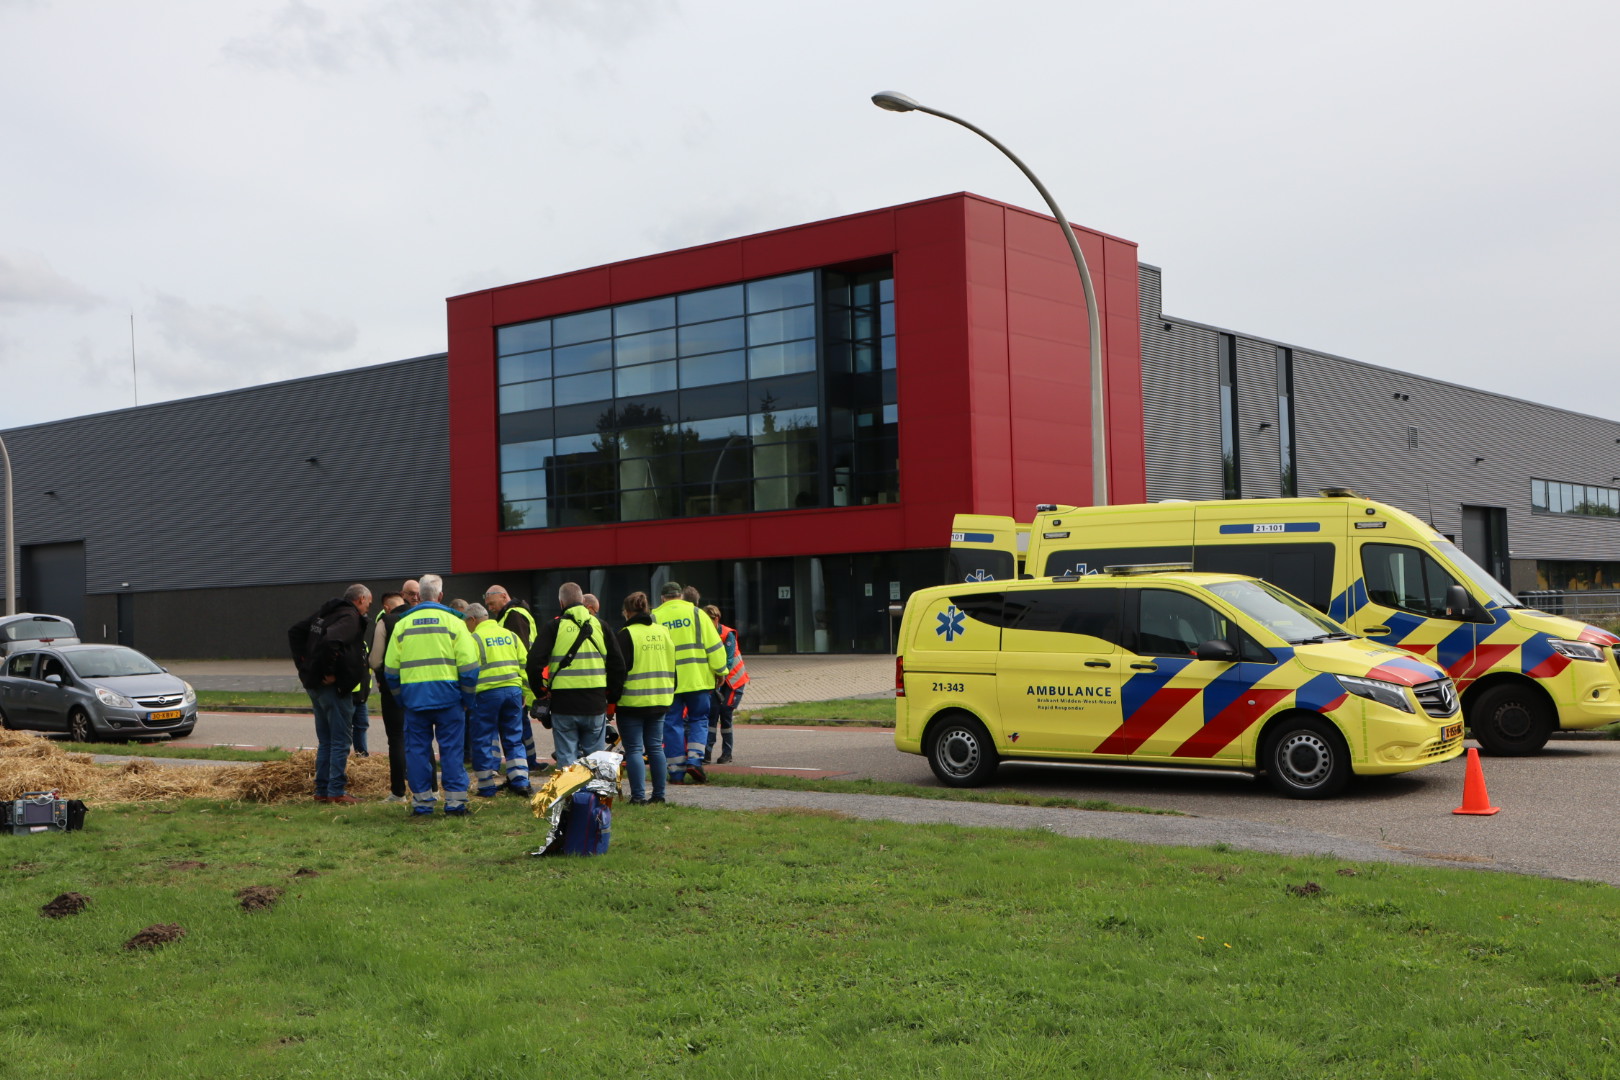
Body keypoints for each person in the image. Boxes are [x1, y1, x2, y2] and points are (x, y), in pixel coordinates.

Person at [384, 573, 480, 816]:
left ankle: (422, 802)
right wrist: (467, 699)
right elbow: (469, 668)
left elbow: (391, 670)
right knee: (452, 751)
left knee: (416, 751)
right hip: (450, 699)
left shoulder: (402, 624)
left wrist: (401, 698)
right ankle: (456, 803)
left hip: (414, 700)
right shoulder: (455, 623)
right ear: (440, 596)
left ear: (419, 595)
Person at [525, 582, 624, 768]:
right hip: (595, 702)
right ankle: (592, 796)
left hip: (564, 704)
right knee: (595, 759)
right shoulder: (601, 626)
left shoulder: (554, 627)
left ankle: (571, 796)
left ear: (561, 603)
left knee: (567, 759)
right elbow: (618, 666)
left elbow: (533, 663)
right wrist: (611, 697)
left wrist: (541, 692)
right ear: (584, 602)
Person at [291, 583, 371, 804]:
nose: (368, 609)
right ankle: (336, 791)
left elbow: (296, 631)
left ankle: (322, 790)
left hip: (315, 686)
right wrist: (327, 671)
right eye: (369, 604)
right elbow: (331, 641)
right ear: (361, 599)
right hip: (332, 689)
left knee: (326, 741)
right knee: (340, 741)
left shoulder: (326, 613)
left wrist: (305, 666)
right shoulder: (349, 617)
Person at [653, 581, 728, 784]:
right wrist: (721, 671)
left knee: (671, 723)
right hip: (697, 680)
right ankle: (695, 761)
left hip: (669, 682)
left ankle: (676, 772)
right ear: (680, 595)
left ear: (662, 598)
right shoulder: (697, 614)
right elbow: (714, 647)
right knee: (699, 719)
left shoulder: (655, 616)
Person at [464, 603, 533, 797]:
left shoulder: (474, 638)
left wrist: (466, 696)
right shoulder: (510, 636)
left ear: (473, 620)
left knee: (483, 738)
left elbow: (468, 669)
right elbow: (524, 665)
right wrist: (525, 693)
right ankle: (520, 781)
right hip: (513, 692)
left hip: (486, 694)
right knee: (514, 737)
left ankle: (486, 786)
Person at [615, 591, 673, 805]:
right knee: (656, 747)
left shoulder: (625, 634)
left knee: (634, 750)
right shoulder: (663, 632)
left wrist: (613, 698)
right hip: (660, 698)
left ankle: (638, 797)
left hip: (632, 702)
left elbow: (618, 671)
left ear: (627, 612)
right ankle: (659, 796)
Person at [485, 585, 541, 772]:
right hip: (521, 679)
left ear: (503, 596)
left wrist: (523, 686)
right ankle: (529, 761)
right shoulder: (514, 614)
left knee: (516, 726)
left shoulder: (513, 615)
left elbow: (519, 652)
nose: (490, 608)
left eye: (492, 603)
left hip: (517, 680)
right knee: (519, 724)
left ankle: (526, 762)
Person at [367, 590, 409, 802]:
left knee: (397, 738)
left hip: (393, 689)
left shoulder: (387, 621)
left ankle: (398, 791)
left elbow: (375, 660)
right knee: (422, 736)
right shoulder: (418, 616)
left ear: (386, 607)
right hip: (421, 686)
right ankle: (432, 789)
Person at [703, 603, 748, 765]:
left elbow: (728, 661)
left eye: (711, 621)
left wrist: (719, 678)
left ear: (717, 619)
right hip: (717, 681)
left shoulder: (727, 634)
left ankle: (727, 753)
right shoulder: (704, 635)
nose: (709, 625)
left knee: (725, 713)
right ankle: (706, 753)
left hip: (733, 682)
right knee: (712, 714)